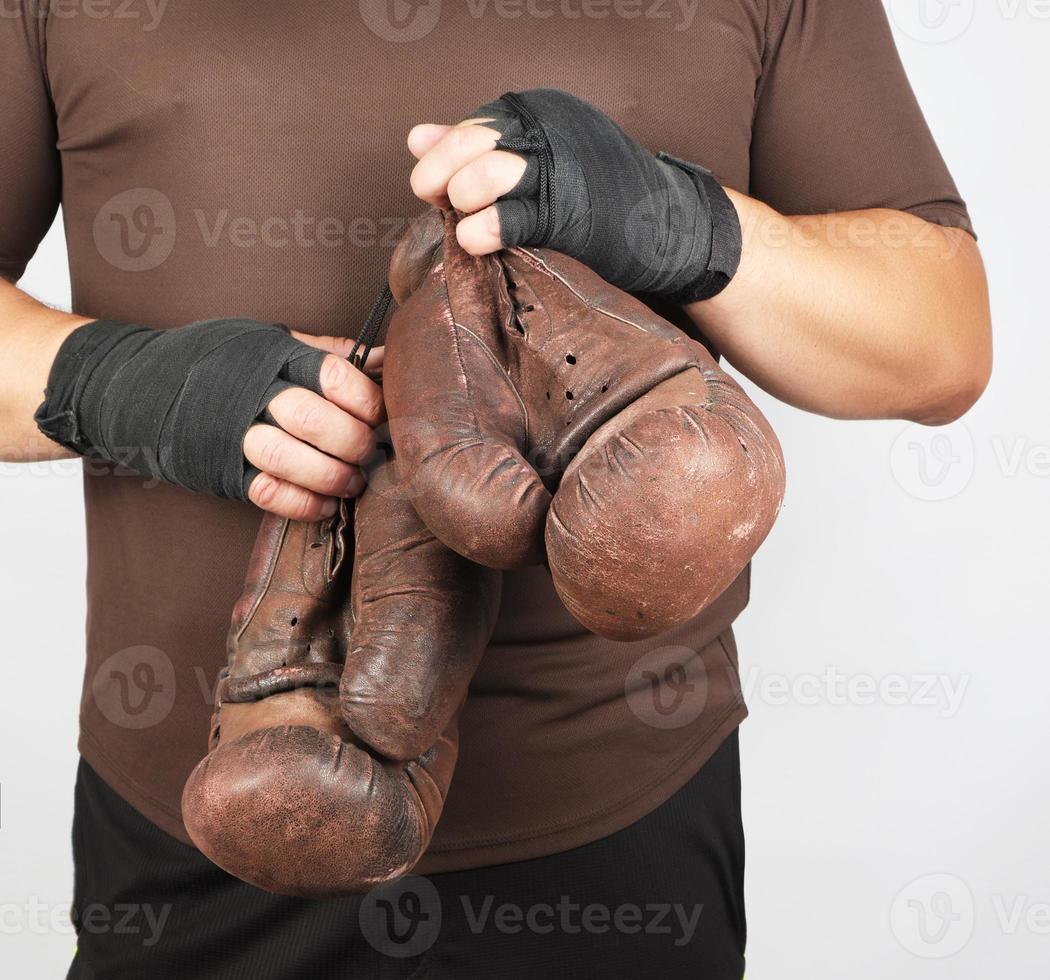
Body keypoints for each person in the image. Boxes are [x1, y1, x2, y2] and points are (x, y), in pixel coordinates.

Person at [0, 2, 990, 977]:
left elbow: (940, 338)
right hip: (214, 815)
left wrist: (684, 220)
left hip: (624, 829)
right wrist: (104, 382)